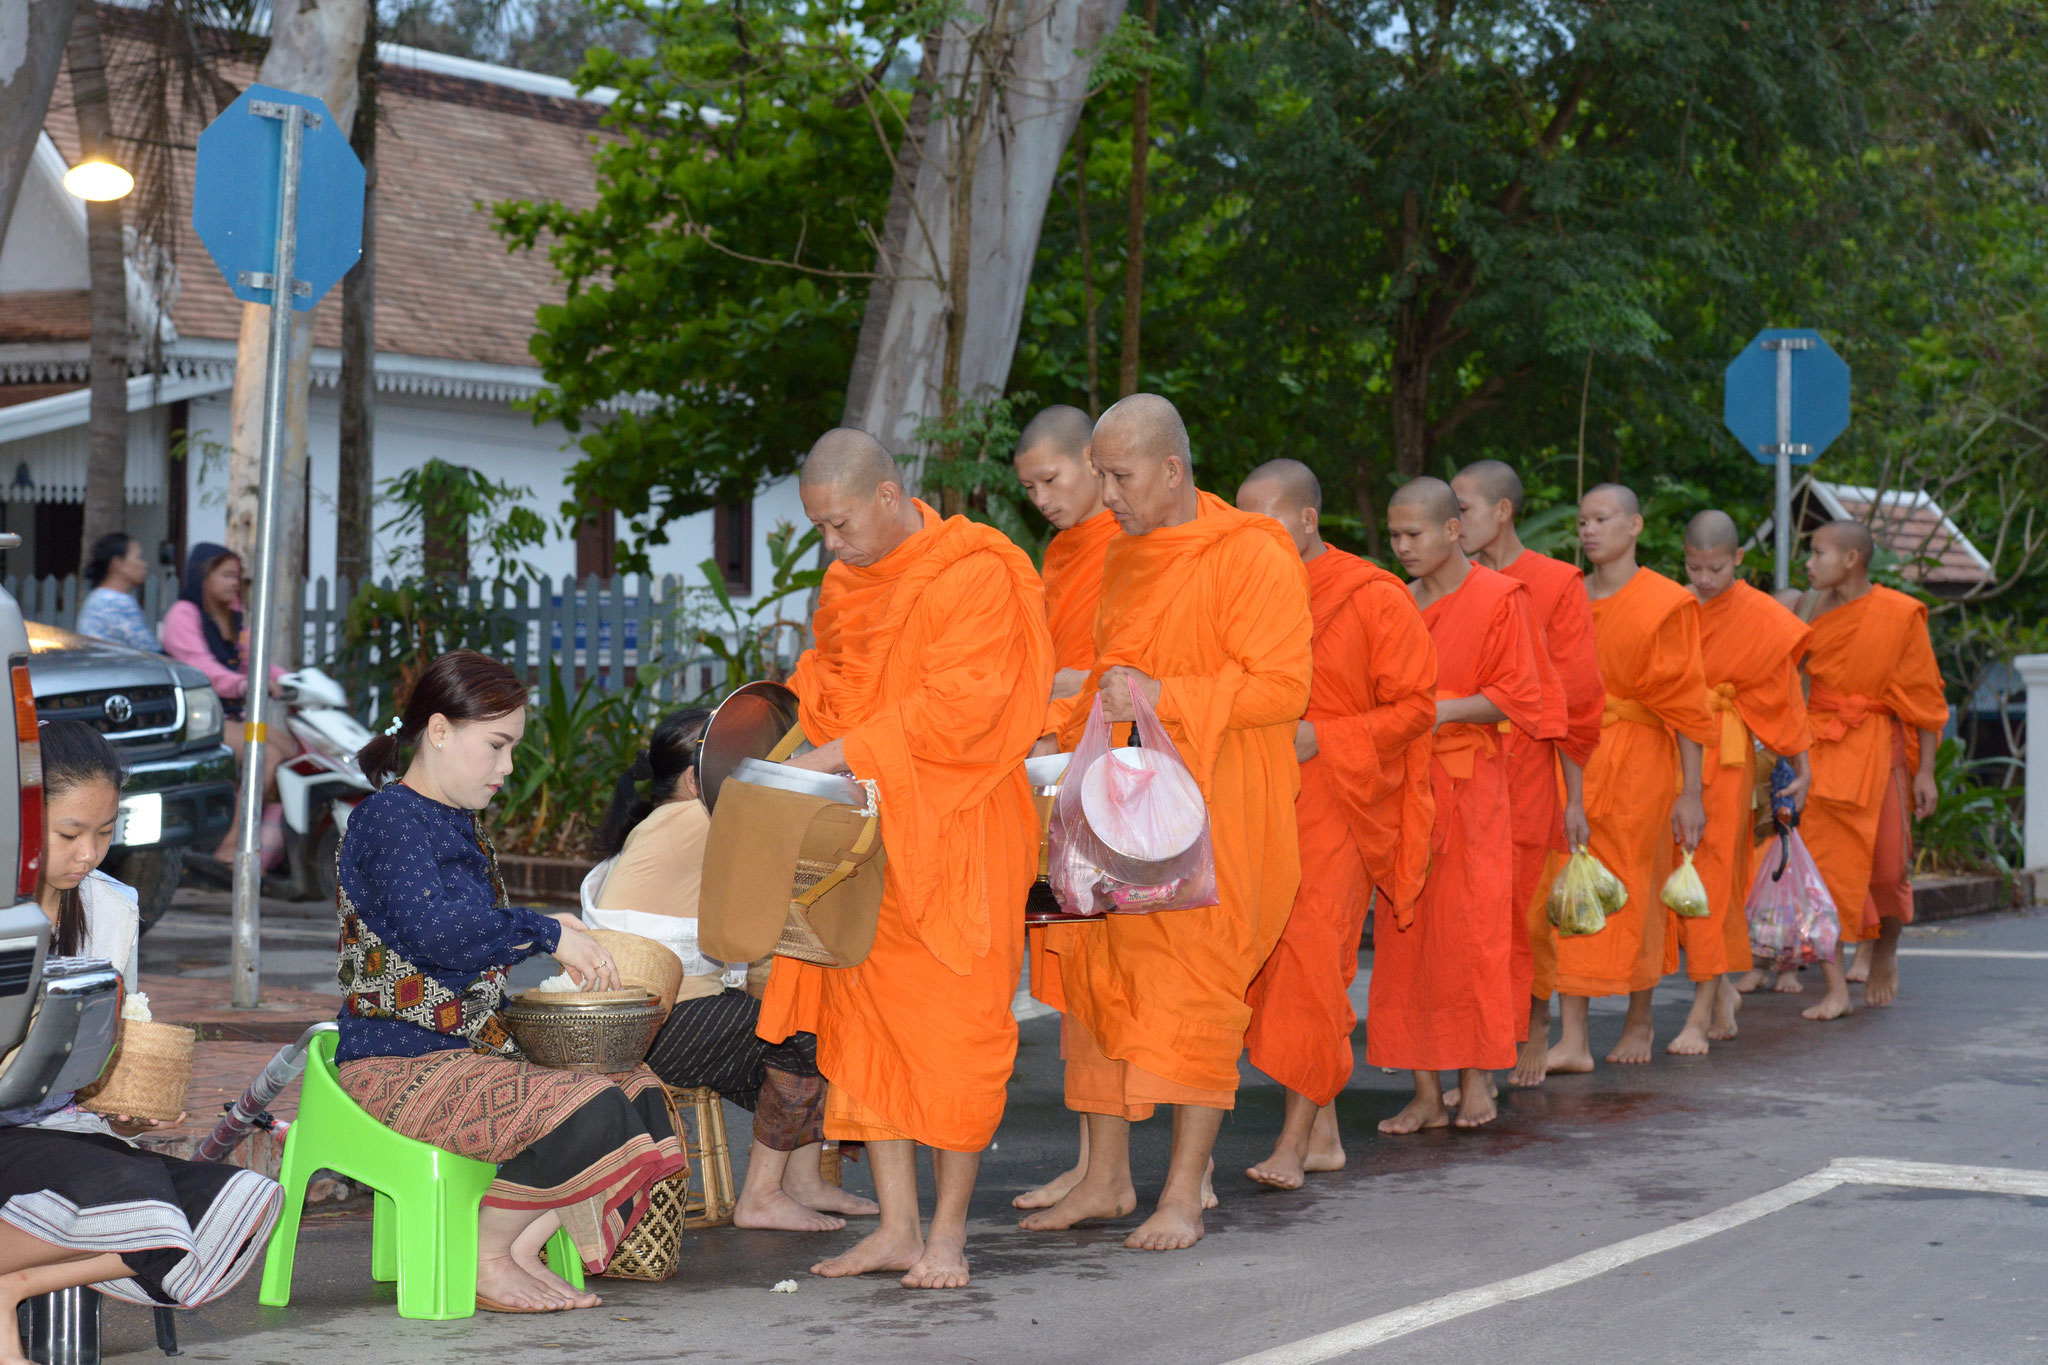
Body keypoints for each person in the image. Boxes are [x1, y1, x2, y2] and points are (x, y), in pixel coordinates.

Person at [755, 428, 1053, 1289]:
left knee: (957, 1036)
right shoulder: (848, 582)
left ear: (889, 496)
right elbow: (831, 683)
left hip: (959, 828)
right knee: (868, 1031)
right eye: (819, 529)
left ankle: (949, 1237)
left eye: (839, 524)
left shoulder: (975, 570)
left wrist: (837, 753)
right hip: (864, 833)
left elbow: (965, 704)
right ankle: (895, 1226)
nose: (830, 545)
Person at [1021, 394, 1311, 1252]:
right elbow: (1112, 678)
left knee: (1194, 999)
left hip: (1221, 815)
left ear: (1173, 469)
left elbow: (1282, 688)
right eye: (1100, 474)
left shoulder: (1251, 552)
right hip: (1125, 814)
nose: (1106, 492)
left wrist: (1167, 694)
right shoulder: (1123, 558)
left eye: (1120, 474)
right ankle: (1108, 1178)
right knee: (1100, 983)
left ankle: (1183, 1192)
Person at [336, 650, 683, 1313]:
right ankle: (482, 1251)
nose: (508, 766)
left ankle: (518, 1244)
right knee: (593, 1108)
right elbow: (439, 933)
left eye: (512, 748)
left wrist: (545, 942)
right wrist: (543, 931)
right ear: (439, 730)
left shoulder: (451, 823)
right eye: (497, 745)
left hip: (465, 1056)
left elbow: (470, 947)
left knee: (638, 1093)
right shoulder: (390, 819)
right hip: (396, 1063)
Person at [1, 722, 282, 1342]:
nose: (89, 854)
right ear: (17, 818)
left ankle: (13, 1285)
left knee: (233, 1200)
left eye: (105, 834)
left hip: (69, 1132)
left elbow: (110, 1053)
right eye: (70, 834)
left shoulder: (111, 907)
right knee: (136, 1193)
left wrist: (128, 1113)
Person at [586, 707, 877, 1232]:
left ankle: (801, 1181)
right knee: (804, 1031)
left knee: (804, 1021)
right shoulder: (689, 820)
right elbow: (781, 800)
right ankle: (763, 1195)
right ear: (698, 777)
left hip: (659, 1016)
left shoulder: (680, 822)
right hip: (657, 1024)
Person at [1236, 460, 1435, 1185]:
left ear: (1308, 520)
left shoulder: (1372, 596)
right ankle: (1321, 1136)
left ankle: (1293, 1145)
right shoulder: (1245, 592)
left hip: (1341, 801)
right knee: (1268, 967)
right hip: (1261, 801)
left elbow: (1416, 707)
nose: (1253, 537)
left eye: (1268, 522)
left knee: (1316, 967)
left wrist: (1328, 735)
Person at [1370, 478, 1545, 1131]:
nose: (1403, 546)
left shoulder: (1501, 599)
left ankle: (1477, 1081)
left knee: (1472, 935)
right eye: (1395, 535)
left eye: (1414, 533)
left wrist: (1437, 709)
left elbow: (1517, 696)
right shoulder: (1396, 603)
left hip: (1472, 788)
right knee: (1405, 936)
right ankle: (1423, 1090)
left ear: (1451, 529)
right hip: (1404, 786)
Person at [1549, 485, 1713, 1071]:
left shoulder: (1666, 602)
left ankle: (1639, 1019)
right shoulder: (1568, 597)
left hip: (1642, 758)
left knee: (1638, 888)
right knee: (1572, 879)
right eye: (1583, 520)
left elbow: (1689, 706)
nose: (1589, 530)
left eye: (1602, 518)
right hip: (1577, 753)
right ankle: (1572, 1036)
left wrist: (1690, 791)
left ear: (1635, 525)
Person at [1452, 460, 1603, 1089]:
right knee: (1465, 910)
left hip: (1529, 765)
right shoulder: (1444, 583)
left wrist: (1576, 796)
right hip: (1461, 765)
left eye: (1464, 508)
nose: (1454, 521)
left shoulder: (1554, 582)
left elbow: (1573, 694)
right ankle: (1472, 1046)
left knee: (1523, 907)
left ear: (1503, 511)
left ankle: (1535, 1021)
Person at [1010, 404, 1120, 1214]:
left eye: (1052, 478)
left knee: (1108, 982)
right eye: (1031, 487)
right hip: (1059, 771)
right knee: (1081, 981)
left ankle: (1109, 1175)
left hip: (1115, 779)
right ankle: (1091, 1165)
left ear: (1094, 458)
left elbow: (1128, 662)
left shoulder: (1132, 540)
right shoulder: (1064, 551)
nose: (1043, 497)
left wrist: (1057, 687)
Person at [1786, 520, 1946, 1011]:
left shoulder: (1898, 615)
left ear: (1851, 560)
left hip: (1881, 752)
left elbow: (1923, 697)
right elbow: (1788, 683)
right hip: (1822, 751)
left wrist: (1925, 772)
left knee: (1888, 868)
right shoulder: (1807, 609)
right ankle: (1835, 989)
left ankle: (1886, 949)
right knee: (1824, 870)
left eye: (1817, 553)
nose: (1808, 563)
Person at [1674, 511, 1814, 1045]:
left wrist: (1801, 765)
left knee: (1710, 878)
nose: (1705, 579)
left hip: (1726, 761)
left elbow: (1785, 694)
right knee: (1669, 880)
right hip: (1669, 754)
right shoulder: (1675, 605)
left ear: (1737, 560)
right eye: (1695, 567)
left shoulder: (1760, 614)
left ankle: (1701, 1009)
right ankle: (1722, 985)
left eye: (1715, 568)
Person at [159, 542, 295, 865]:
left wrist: (292, 681)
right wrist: (243, 684)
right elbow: (200, 665)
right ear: (203, 576)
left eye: (237, 577)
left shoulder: (232, 620)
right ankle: (228, 850)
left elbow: (256, 660)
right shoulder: (183, 615)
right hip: (196, 721)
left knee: (292, 749)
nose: (235, 583)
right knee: (266, 755)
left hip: (229, 718)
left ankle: (270, 843)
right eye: (227, 576)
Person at [75, 533, 164, 654]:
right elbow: (151, 652)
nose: (144, 564)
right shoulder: (118, 602)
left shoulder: (96, 597)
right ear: (117, 564)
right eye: (139, 558)